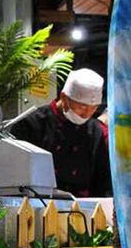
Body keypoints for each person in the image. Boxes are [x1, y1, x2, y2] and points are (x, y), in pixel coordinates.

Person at [8, 67, 111, 198]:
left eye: (93, 109)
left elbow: (102, 180)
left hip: (81, 206)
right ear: (64, 97)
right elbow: (15, 174)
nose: (86, 114)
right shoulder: (32, 124)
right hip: (37, 202)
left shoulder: (96, 132)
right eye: (82, 107)